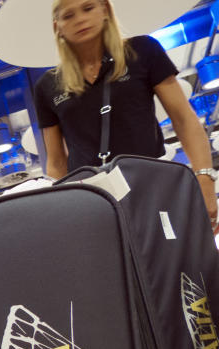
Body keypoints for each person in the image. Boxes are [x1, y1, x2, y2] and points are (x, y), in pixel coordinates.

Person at [35, 0, 218, 229]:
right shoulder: (47, 86)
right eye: (68, 15)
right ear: (57, 27)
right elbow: (56, 162)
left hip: (155, 189)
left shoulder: (142, 51)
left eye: (88, 8)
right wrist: (67, 214)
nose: (80, 19)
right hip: (94, 204)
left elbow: (183, 119)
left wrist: (204, 179)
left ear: (105, 9)